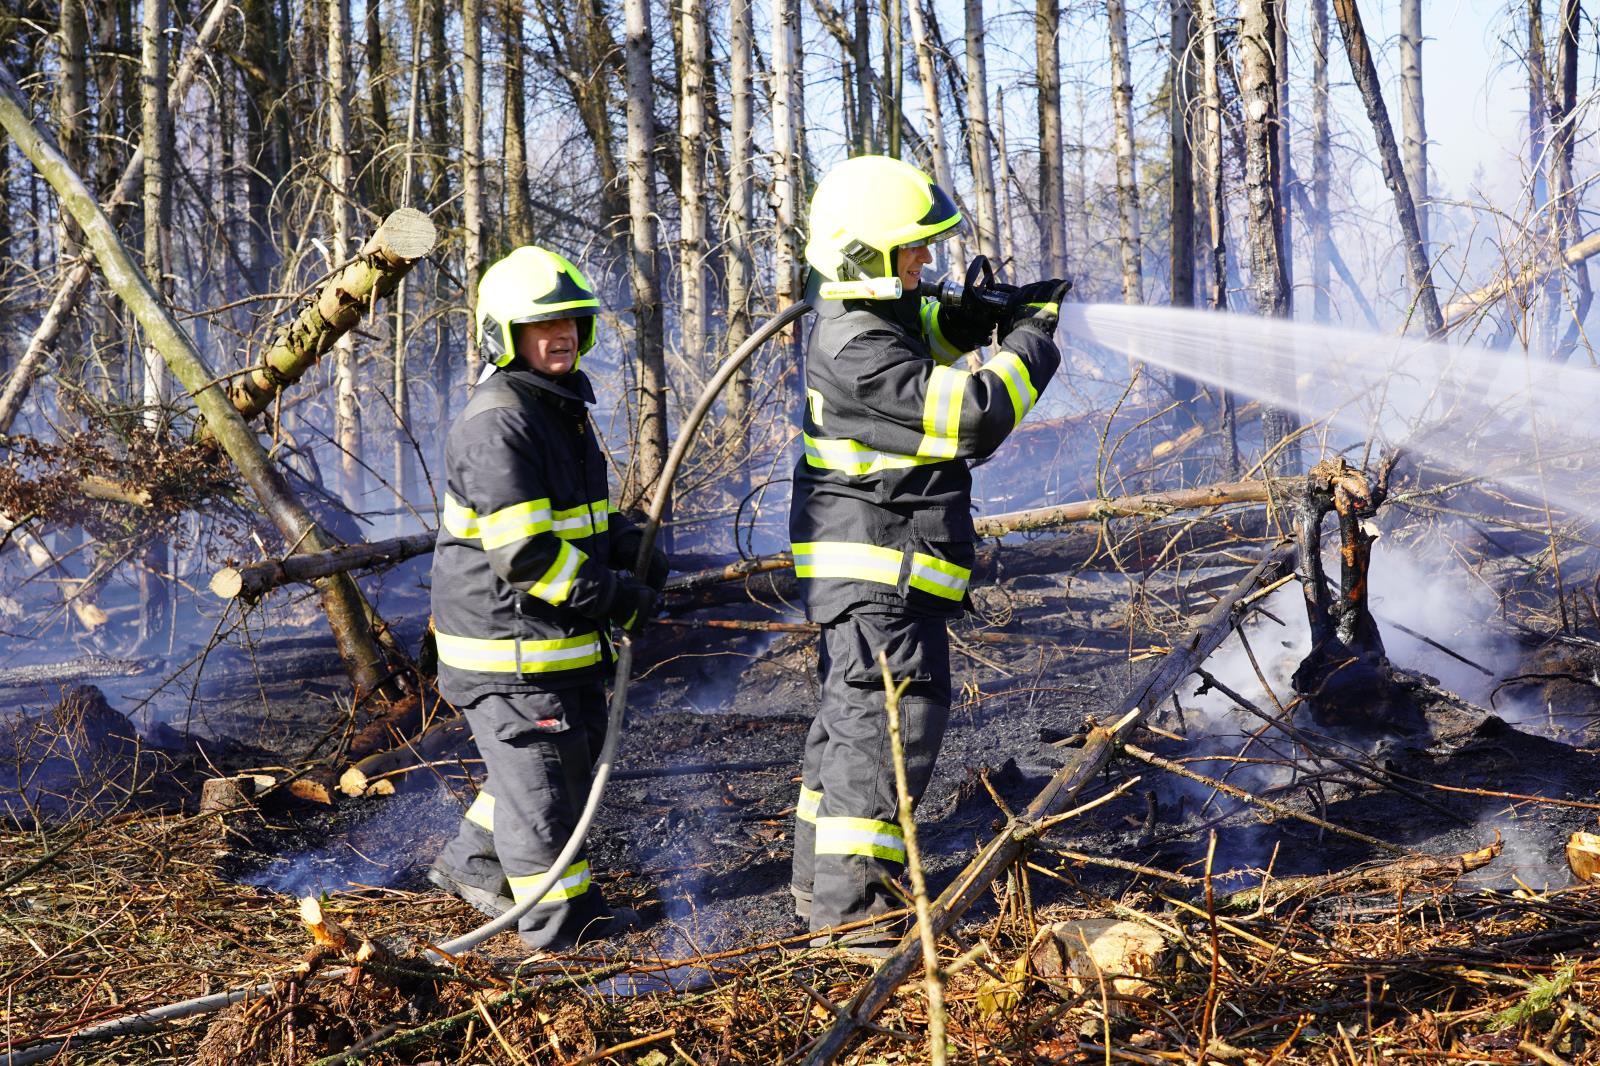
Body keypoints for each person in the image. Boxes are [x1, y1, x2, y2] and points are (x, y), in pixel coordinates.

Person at [788, 155, 1071, 950]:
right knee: (887, 732)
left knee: (851, 731)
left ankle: (820, 891)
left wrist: (985, 317)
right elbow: (972, 414)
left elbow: (923, 337)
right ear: (863, 258)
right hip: (881, 573)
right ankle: (856, 923)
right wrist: (1030, 345)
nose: (925, 264)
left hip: (881, 571)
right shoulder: (855, 349)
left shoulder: (868, 321)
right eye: (910, 251)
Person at [428, 245, 668, 950]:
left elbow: (572, 520)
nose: (560, 333)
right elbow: (527, 554)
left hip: (545, 638)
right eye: (541, 325)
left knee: (555, 763)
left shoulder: (553, 408)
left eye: (570, 320)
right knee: (542, 787)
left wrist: (629, 543)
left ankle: (473, 863)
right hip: (509, 648)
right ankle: (559, 929)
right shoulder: (498, 423)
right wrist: (616, 598)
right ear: (506, 336)